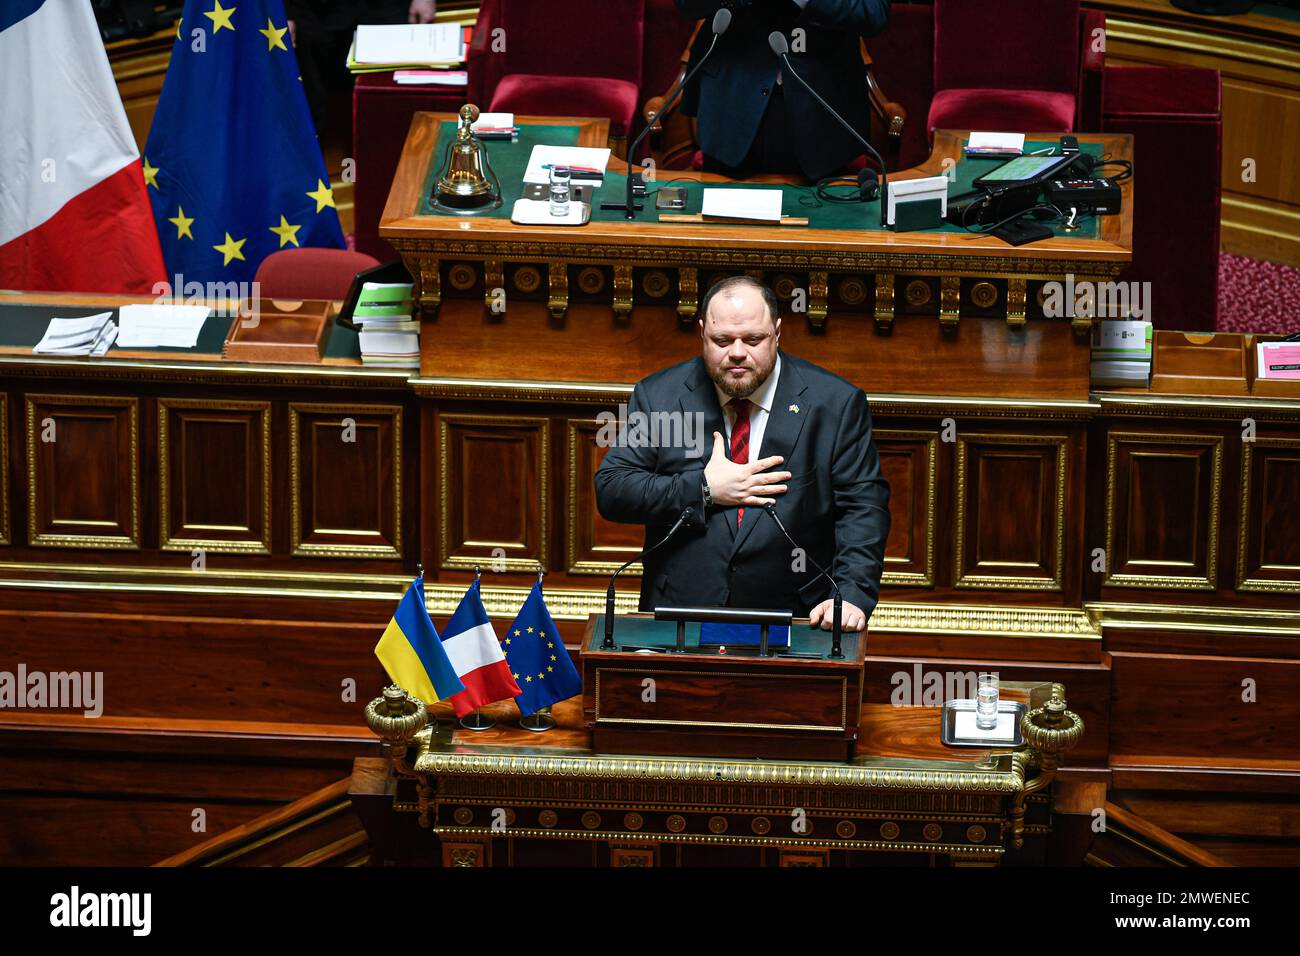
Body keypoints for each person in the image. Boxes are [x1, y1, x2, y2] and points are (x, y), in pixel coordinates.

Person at [594, 276, 891, 631]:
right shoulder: (661, 398)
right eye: (722, 340)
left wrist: (852, 593)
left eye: (753, 339)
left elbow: (863, 508)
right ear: (702, 332)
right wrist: (704, 490)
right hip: (681, 613)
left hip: (798, 616)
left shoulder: (834, 405)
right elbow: (613, 490)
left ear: (777, 333)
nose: (737, 352)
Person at [675, 0, 890, 181]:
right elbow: (686, 5)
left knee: (823, 227)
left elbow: (873, 13)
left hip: (823, 111)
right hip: (731, 103)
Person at [287, 0, 438, 134]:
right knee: (311, 93)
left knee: (387, 92)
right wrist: (283, 12)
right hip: (312, 10)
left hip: (384, 7)